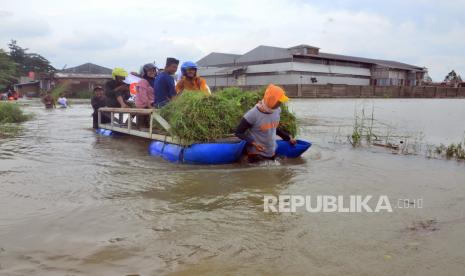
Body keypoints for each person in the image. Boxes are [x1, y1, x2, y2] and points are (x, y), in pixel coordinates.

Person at [235, 84, 296, 163]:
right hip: (256, 153)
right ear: (272, 100)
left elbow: (273, 127)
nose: (280, 103)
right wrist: (254, 143)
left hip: (271, 151)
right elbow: (239, 132)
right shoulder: (252, 114)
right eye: (279, 101)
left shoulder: (277, 110)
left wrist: (288, 138)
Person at [135, 63, 157, 128]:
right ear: (144, 72)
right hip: (143, 106)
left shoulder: (154, 81)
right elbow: (143, 96)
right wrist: (150, 106)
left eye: (153, 70)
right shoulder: (143, 81)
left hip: (150, 104)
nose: (152, 72)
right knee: (143, 128)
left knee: (150, 126)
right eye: (149, 71)